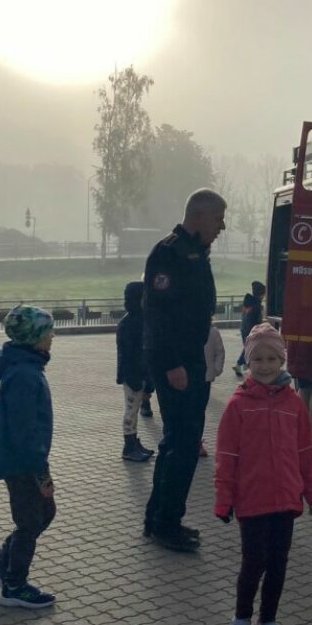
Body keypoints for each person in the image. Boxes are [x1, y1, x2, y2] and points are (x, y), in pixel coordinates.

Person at [215, 323, 312, 625]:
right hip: (252, 500)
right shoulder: (238, 406)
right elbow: (227, 456)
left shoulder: (294, 404)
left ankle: (268, 623)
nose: (265, 365)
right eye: (258, 358)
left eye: (272, 358)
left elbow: (306, 451)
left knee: (278, 563)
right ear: (248, 362)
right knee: (253, 563)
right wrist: (224, 499)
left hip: (286, 499)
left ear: (282, 361)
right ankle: (241, 621)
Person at [143, 188, 226, 552]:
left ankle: (159, 518)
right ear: (200, 216)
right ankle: (166, 523)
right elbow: (157, 315)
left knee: (179, 442)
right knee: (183, 444)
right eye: (218, 219)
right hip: (176, 363)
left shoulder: (194, 253)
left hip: (191, 359)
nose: (222, 227)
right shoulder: (170, 252)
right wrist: (172, 364)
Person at [0, 305, 57, 608]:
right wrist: (41, 473)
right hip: (22, 462)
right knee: (30, 521)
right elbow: (24, 431)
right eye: (48, 332)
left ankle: (3, 559)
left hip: (27, 459)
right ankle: (14, 586)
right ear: (35, 337)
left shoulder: (27, 366)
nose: (53, 337)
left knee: (45, 512)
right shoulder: (24, 374)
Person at [116, 282, 156, 463]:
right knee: (131, 410)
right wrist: (132, 376)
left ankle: (133, 442)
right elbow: (126, 354)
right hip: (132, 374)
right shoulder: (129, 323)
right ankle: (129, 445)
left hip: (140, 372)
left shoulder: (140, 319)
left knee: (135, 408)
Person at [201, 319, 226, 457]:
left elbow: (219, 352)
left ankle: (197, 441)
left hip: (205, 378)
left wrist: (216, 369)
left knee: (199, 411)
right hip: (191, 378)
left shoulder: (213, 332)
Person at [233, 281, 266, 377]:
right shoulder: (257, 306)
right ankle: (241, 368)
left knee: (249, 351)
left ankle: (242, 368)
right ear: (260, 294)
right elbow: (257, 321)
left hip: (244, 329)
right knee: (251, 352)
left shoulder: (249, 302)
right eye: (263, 294)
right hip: (251, 331)